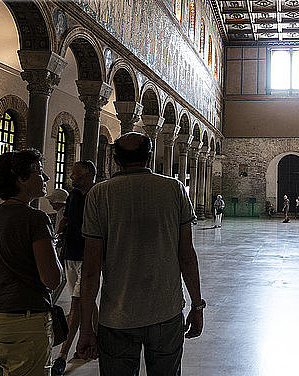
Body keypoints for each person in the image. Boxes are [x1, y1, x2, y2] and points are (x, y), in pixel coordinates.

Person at [77, 132, 204, 375]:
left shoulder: (99, 194)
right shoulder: (174, 189)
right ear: (149, 156)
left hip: (117, 316)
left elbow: (90, 269)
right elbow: (187, 257)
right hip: (165, 312)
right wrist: (197, 306)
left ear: (115, 159)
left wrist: (85, 328)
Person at [0, 150, 62, 375]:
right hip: (23, 326)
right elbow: (52, 279)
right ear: (21, 178)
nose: (46, 178)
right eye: (39, 171)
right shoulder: (36, 219)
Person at [52, 161, 99, 376]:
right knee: (85, 301)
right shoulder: (73, 196)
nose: (72, 178)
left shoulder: (97, 195)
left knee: (77, 304)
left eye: (76, 175)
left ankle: (63, 354)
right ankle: (99, 341)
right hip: (71, 255)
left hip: (88, 258)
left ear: (88, 174)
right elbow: (69, 220)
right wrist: (62, 231)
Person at [46, 188, 69, 304]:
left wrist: (59, 237)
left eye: (52, 202)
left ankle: (51, 301)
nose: (51, 204)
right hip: (61, 248)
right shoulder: (62, 211)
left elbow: (62, 228)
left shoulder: (64, 211)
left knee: (62, 278)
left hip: (63, 249)